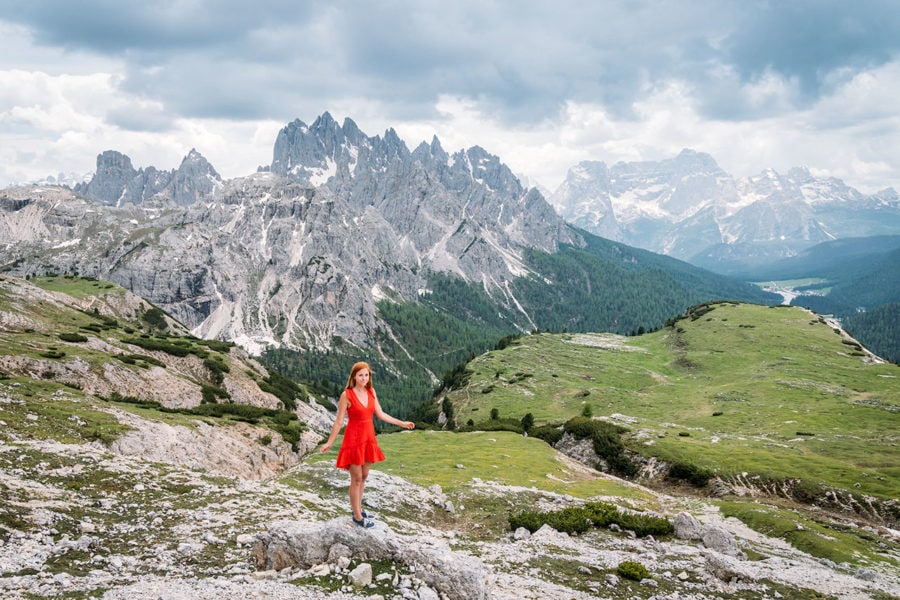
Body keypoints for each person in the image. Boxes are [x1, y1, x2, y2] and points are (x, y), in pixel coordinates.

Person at [320, 361, 415, 528]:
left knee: (363, 477)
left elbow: (381, 414)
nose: (364, 378)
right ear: (354, 377)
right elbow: (339, 421)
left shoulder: (371, 391)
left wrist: (402, 423)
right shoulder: (347, 395)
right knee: (356, 479)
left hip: (368, 439)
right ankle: (357, 517)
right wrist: (330, 442)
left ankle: (359, 509)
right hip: (353, 440)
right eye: (360, 375)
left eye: (366, 375)